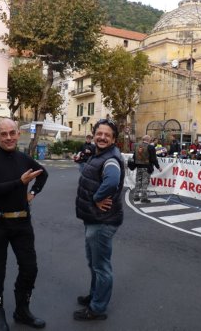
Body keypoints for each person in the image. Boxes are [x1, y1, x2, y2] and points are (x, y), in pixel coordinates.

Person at [0, 118, 48, 331]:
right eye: (3, 134)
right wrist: (20, 183)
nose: (8, 137)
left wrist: (33, 192)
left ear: (18, 134)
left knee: (30, 268)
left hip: (21, 224)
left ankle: (22, 309)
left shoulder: (23, 158)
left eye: (12, 133)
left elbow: (43, 174)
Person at [74, 118, 125, 321]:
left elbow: (112, 181)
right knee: (94, 263)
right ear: (94, 135)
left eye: (107, 135)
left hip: (102, 221)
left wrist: (96, 198)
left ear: (113, 140)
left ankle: (97, 308)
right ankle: (95, 296)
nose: (102, 137)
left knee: (101, 266)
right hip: (95, 218)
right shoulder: (100, 154)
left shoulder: (110, 159)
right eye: (99, 133)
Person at [132, 135, 162, 203]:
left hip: (138, 167)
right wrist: (158, 167)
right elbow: (153, 159)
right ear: (148, 140)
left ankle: (136, 196)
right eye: (150, 140)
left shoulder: (137, 146)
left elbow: (134, 156)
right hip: (146, 167)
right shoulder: (151, 147)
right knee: (145, 183)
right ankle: (143, 198)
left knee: (138, 182)